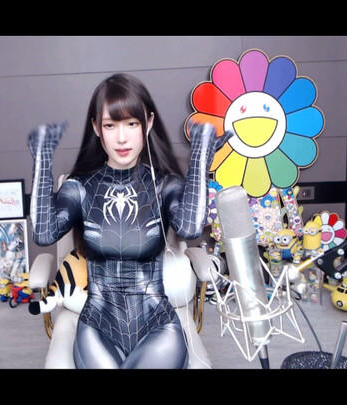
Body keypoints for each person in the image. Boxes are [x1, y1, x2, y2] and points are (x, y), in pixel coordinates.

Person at [27, 73, 231, 369]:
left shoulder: (164, 185)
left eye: (132, 124)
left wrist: (200, 157)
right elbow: (44, 233)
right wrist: (42, 158)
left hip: (157, 323)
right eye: (110, 125)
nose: (121, 138)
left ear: (148, 123)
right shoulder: (80, 187)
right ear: (96, 128)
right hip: (97, 325)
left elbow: (190, 228)